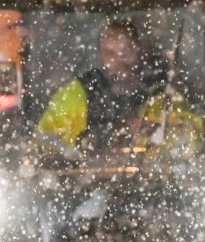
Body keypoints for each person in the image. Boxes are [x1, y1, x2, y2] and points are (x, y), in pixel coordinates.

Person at [35, 20, 167, 150]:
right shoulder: (75, 94)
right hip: (85, 171)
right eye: (110, 53)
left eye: (126, 50)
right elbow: (40, 145)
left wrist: (154, 131)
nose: (118, 60)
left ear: (139, 50)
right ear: (100, 56)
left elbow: (183, 141)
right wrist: (76, 149)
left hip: (145, 171)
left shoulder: (161, 94)